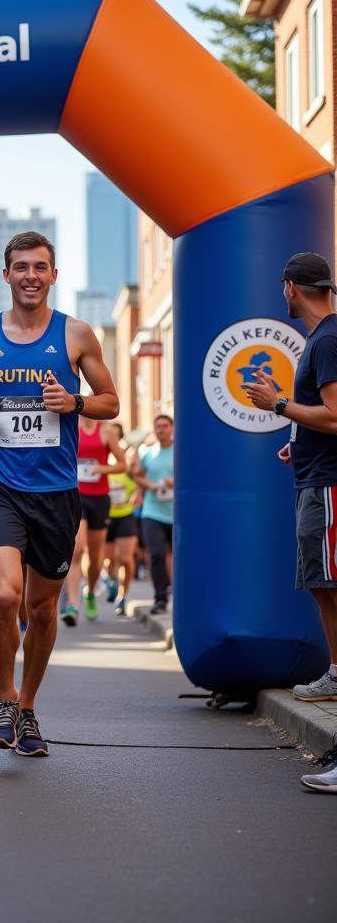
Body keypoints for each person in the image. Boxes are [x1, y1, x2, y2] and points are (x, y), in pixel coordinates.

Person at [0, 231, 119, 757]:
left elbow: (110, 401)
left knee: (42, 611)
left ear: (53, 275)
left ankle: (28, 709)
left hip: (57, 491)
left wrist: (76, 402)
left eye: (40, 267)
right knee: (3, 595)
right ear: (6, 275)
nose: (30, 276)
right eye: (21, 267)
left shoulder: (77, 334)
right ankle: (3, 695)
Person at [241, 252, 337, 792]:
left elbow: (336, 414)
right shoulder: (323, 339)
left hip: (328, 489)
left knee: (333, 589)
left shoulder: (325, 340)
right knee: (324, 589)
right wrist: (297, 442)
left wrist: (278, 403)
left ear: (290, 289)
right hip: (315, 478)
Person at [63, 416, 127, 624]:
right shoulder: (70, 427)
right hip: (76, 495)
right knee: (77, 550)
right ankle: (72, 604)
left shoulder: (106, 431)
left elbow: (122, 464)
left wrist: (103, 469)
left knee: (95, 556)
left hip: (100, 498)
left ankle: (90, 591)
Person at [131, 415, 174, 615]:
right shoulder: (148, 453)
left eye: (165, 426)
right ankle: (160, 598)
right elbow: (137, 474)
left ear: (172, 428)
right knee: (156, 554)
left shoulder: (181, 450)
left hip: (177, 513)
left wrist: (177, 481)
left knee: (179, 557)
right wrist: (149, 485)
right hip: (152, 510)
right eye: (158, 426)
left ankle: (180, 593)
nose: (161, 430)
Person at [104, 424, 140, 616]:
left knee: (126, 559)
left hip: (125, 514)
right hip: (106, 515)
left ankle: (123, 596)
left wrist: (138, 492)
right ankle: (109, 580)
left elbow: (139, 480)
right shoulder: (102, 457)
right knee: (109, 560)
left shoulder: (127, 460)